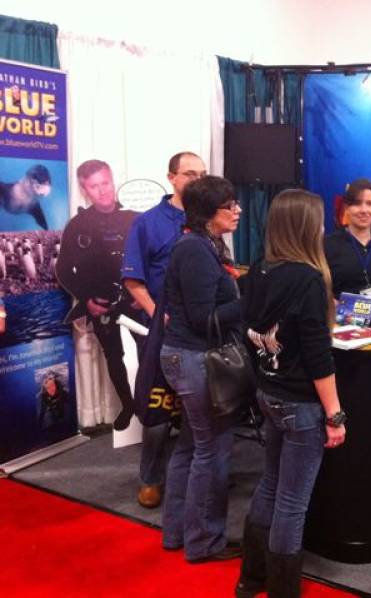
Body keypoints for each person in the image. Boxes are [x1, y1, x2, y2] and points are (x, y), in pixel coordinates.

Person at [236, 189, 346, 598]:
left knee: (271, 483)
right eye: (316, 221)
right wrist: (335, 416)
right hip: (300, 404)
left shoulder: (262, 269)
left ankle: (251, 577)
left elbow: (249, 332)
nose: (322, 228)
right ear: (303, 226)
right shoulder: (308, 279)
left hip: (269, 392)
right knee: (292, 502)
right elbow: (319, 358)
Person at [159, 175, 243, 563]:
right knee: (212, 450)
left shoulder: (203, 245)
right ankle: (204, 541)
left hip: (188, 357)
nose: (238, 210)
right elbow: (200, 318)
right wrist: (251, 301)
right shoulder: (194, 249)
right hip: (194, 358)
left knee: (192, 446)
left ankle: (178, 532)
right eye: (230, 206)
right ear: (211, 214)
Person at [121, 151, 207, 509]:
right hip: (162, 332)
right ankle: (151, 478)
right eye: (190, 174)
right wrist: (160, 316)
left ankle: (190, 476)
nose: (197, 180)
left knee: (197, 410)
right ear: (172, 177)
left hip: (200, 333)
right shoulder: (148, 223)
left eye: (203, 174)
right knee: (158, 410)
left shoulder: (208, 221)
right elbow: (132, 280)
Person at [55, 159, 138, 431]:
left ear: (112, 180)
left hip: (137, 298)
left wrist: (146, 294)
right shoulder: (78, 225)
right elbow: (64, 269)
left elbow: (153, 261)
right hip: (100, 302)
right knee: (114, 356)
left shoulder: (135, 219)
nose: (102, 191)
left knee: (150, 350)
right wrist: (86, 299)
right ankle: (128, 406)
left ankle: (154, 404)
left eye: (105, 183)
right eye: (94, 186)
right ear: (84, 189)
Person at [324, 178, 371, 301]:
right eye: (357, 203)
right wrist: (330, 304)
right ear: (347, 208)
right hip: (339, 320)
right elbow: (319, 288)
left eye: (370, 204)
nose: (364, 210)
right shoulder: (328, 245)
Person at [0, 164, 52, 229]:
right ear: (27, 181)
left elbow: (41, 219)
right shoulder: (5, 190)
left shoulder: (34, 204)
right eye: (38, 186)